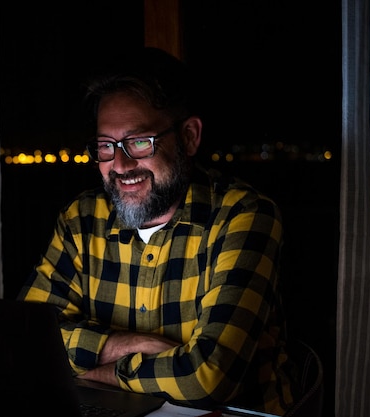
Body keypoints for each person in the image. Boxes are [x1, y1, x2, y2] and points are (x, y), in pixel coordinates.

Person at [17, 47, 295, 415]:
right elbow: (26, 338)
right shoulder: (82, 217)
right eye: (106, 146)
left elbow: (208, 377)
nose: (120, 164)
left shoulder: (243, 216)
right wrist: (123, 344)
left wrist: (107, 372)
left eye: (138, 142)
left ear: (190, 137)